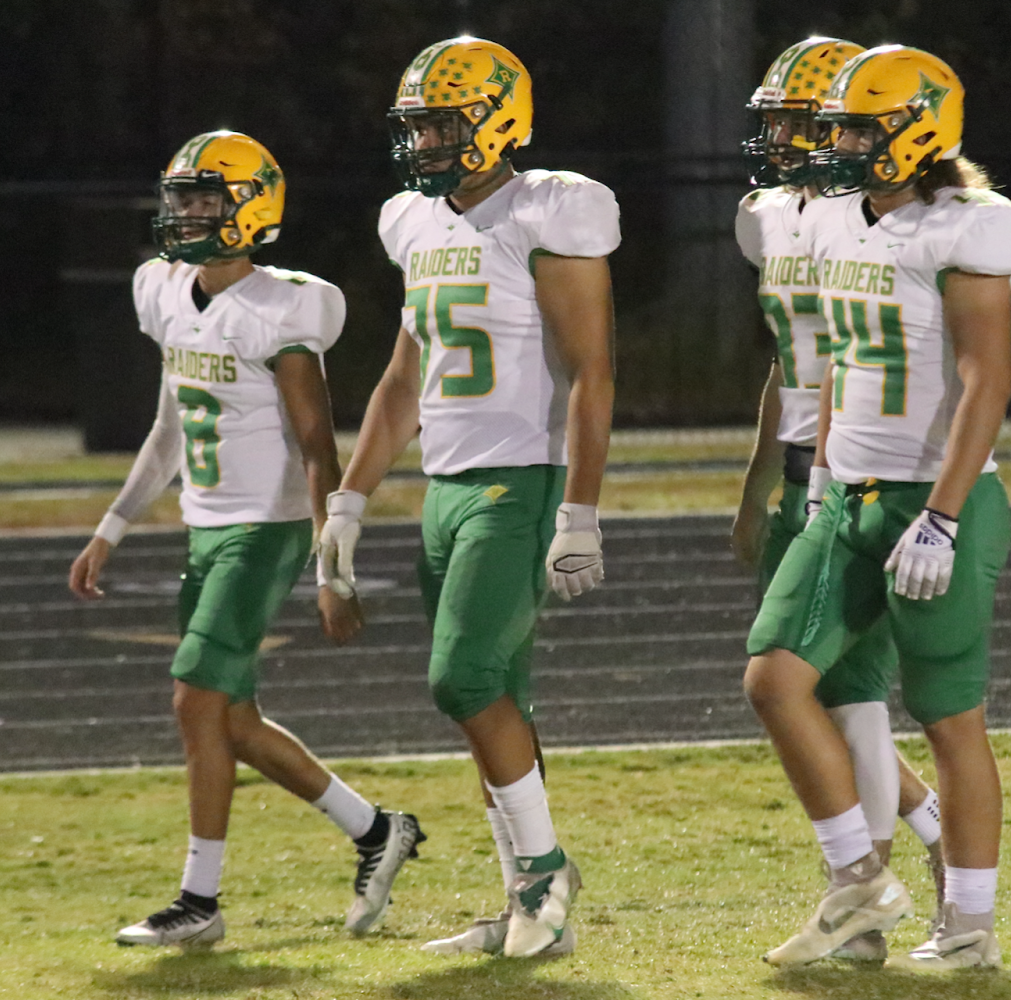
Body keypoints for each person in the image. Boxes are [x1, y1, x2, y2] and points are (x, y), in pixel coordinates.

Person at [69, 131, 424, 948]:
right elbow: (168, 431)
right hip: (204, 529)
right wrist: (111, 528)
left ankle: (198, 901)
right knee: (230, 719)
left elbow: (318, 447)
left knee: (194, 698)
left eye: (206, 200)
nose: (188, 215)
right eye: (182, 199)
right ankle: (378, 830)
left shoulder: (283, 307)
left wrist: (332, 568)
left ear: (252, 209)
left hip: (265, 531)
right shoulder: (164, 290)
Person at [318, 36, 617, 959]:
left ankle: (546, 874)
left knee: (463, 680)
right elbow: (403, 380)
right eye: (418, 126)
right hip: (446, 485)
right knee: (500, 701)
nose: (426, 143)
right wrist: (349, 500)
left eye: (443, 124)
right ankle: (526, 905)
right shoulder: (413, 220)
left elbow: (592, 369)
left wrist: (580, 509)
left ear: (499, 119)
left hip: (517, 478)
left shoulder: (547, 210)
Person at [744, 45, 1011, 970]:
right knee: (774, 678)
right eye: (839, 129)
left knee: (948, 717)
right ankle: (858, 883)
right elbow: (837, 362)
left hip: (937, 499)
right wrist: (821, 479)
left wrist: (943, 514)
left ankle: (971, 926)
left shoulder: (967, 226)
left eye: (861, 130)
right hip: (847, 495)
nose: (841, 147)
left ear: (917, 132)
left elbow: (988, 380)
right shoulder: (833, 221)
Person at [731, 37, 947, 963]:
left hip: (863, 472)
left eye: (796, 121)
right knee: (816, 691)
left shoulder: (880, 223)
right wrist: (756, 486)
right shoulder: (769, 217)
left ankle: (864, 898)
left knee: (844, 693)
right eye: (775, 120)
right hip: (801, 471)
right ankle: (924, 843)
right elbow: (789, 365)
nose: (779, 138)